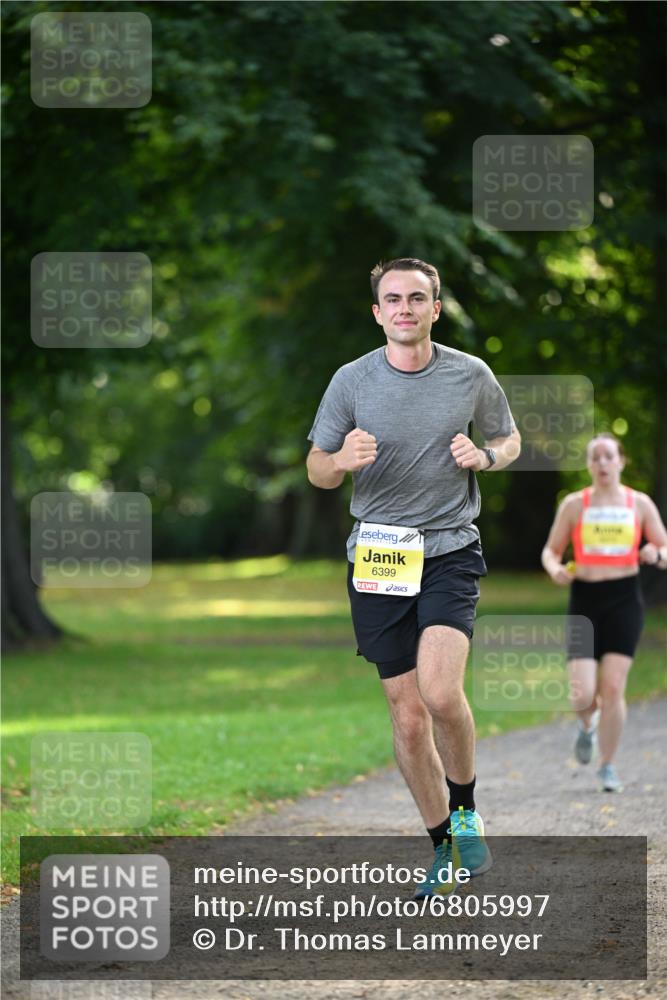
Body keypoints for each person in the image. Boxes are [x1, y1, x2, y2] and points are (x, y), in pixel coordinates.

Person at [306, 257, 521, 896]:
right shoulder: (351, 381)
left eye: (417, 297)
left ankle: (466, 809)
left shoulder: (470, 375)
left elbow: (509, 440)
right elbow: (316, 465)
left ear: (434, 307)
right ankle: (444, 847)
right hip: (378, 555)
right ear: (378, 312)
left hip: (450, 549)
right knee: (405, 717)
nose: (404, 307)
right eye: (393, 298)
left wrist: (484, 456)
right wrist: (340, 460)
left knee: (439, 692)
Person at [541, 432, 667, 792]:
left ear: (621, 461)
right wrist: (555, 569)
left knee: (613, 688)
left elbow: (664, 545)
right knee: (582, 694)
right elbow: (551, 551)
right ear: (589, 465)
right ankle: (586, 726)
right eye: (595, 457)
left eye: (608, 456)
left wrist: (655, 554)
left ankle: (608, 766)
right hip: (585, 600)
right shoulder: (574, 505)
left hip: (624, 600)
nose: (602, 463)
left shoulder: (638, 504)